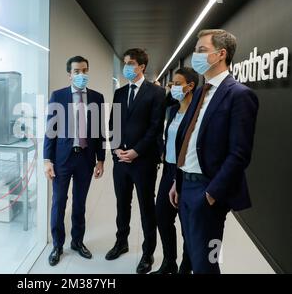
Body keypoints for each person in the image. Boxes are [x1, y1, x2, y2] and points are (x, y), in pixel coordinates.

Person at [170, 29, 259, 274]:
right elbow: (190, 140)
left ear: (220, 54)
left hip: (207, 191)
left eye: (201, 50)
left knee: (206, 264)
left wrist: (211, 194)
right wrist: (178, 180)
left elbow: (239, 154)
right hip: (185, 186)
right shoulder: (200, 92)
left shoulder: (239, 95)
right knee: (190, 252)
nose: (195, 57)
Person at [106, 48, 165, 274]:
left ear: (141, 66)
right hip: (121, 162)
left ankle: (148, 252)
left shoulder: (155, 93)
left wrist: (136, 151)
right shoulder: (120, 93)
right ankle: (121, 242)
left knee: (146, 207)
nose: (126, 67)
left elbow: (155, 128)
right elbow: (113, 124)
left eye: (130, 63)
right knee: (122, 204)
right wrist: (117, 151)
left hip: (144, 162)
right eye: (125, 63)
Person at [44, 56, 106, 266]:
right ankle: (57, 245)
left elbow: (99, 131)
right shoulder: (58, 96)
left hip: (86, 159)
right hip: (62, 159)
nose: (81, 75)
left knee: (80, 204)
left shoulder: (97, 97)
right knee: (59, 203)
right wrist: (47, 160)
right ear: (69, 74)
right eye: (77, 71)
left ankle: (77, 242)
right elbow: (50, 131)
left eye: (84, 70)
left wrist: (101, 159)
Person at [151, 67, 197, 274]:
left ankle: (185, 267)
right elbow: (166, 136)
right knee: (162, 216)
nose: (173, 88)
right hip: (168, 171)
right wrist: (162, 151)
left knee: (187, 225)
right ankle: (169, 261)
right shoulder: (172, 110)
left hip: (186, 173)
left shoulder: (197, 113)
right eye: (172, 85)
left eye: (177, 84)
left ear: (190, 86)